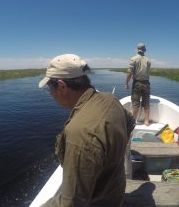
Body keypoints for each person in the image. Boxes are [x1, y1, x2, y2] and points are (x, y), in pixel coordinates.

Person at [38, 54, 135, 207]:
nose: (50, 93)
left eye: (50, 87)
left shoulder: (80, 135)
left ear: (62, 86)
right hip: (116, 193)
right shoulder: (110, 99)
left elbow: (72, 203)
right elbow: (130, 121)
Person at [124, 42, 151, 126]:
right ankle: (146, 121)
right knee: (146, 103)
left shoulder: (133, 59)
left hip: (137, 84)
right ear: (145, 50)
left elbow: (129, 72)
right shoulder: (148, 60)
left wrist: (126, 83)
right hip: (146, 84)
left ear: (137, 50)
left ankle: (134, 121)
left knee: (135, 103)